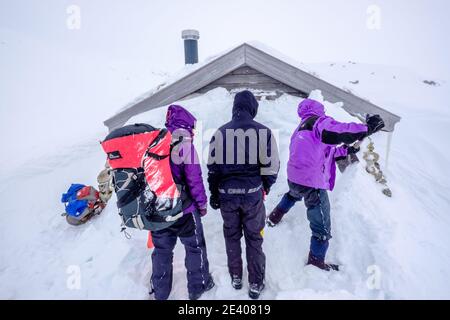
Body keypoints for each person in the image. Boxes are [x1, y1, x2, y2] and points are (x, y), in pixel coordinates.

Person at [267, 98, 384, 271]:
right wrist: (366, 128)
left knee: (292, 195)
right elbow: (337, 132)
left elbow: (325, 149)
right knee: (321, 223)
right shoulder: (318, 122)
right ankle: (315, 262)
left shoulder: (301, 128)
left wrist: (347, 150)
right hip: (311, 181)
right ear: (319, 110)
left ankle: (273, 217)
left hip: (294, 177)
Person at [207, 90, 279, 299]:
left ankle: (236, 277)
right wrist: (264, 186)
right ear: (252, 109)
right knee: (254, 238)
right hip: (252, 195)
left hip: (227, 195)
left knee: (231, 236)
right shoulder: (263, 132)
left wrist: (214, 194)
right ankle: (255, 283)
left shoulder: (219, 133)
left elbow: (213, 169)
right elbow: (271, 167)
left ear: (235, 108)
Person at [150, 104, 214, 300]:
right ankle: (198, 287)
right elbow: (195, 179)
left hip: (159, 209)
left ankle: (160, 292)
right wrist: (201, 205)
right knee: (195, 247)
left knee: (162, 251)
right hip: (185, 209)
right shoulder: (185, 145)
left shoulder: (154, 143)